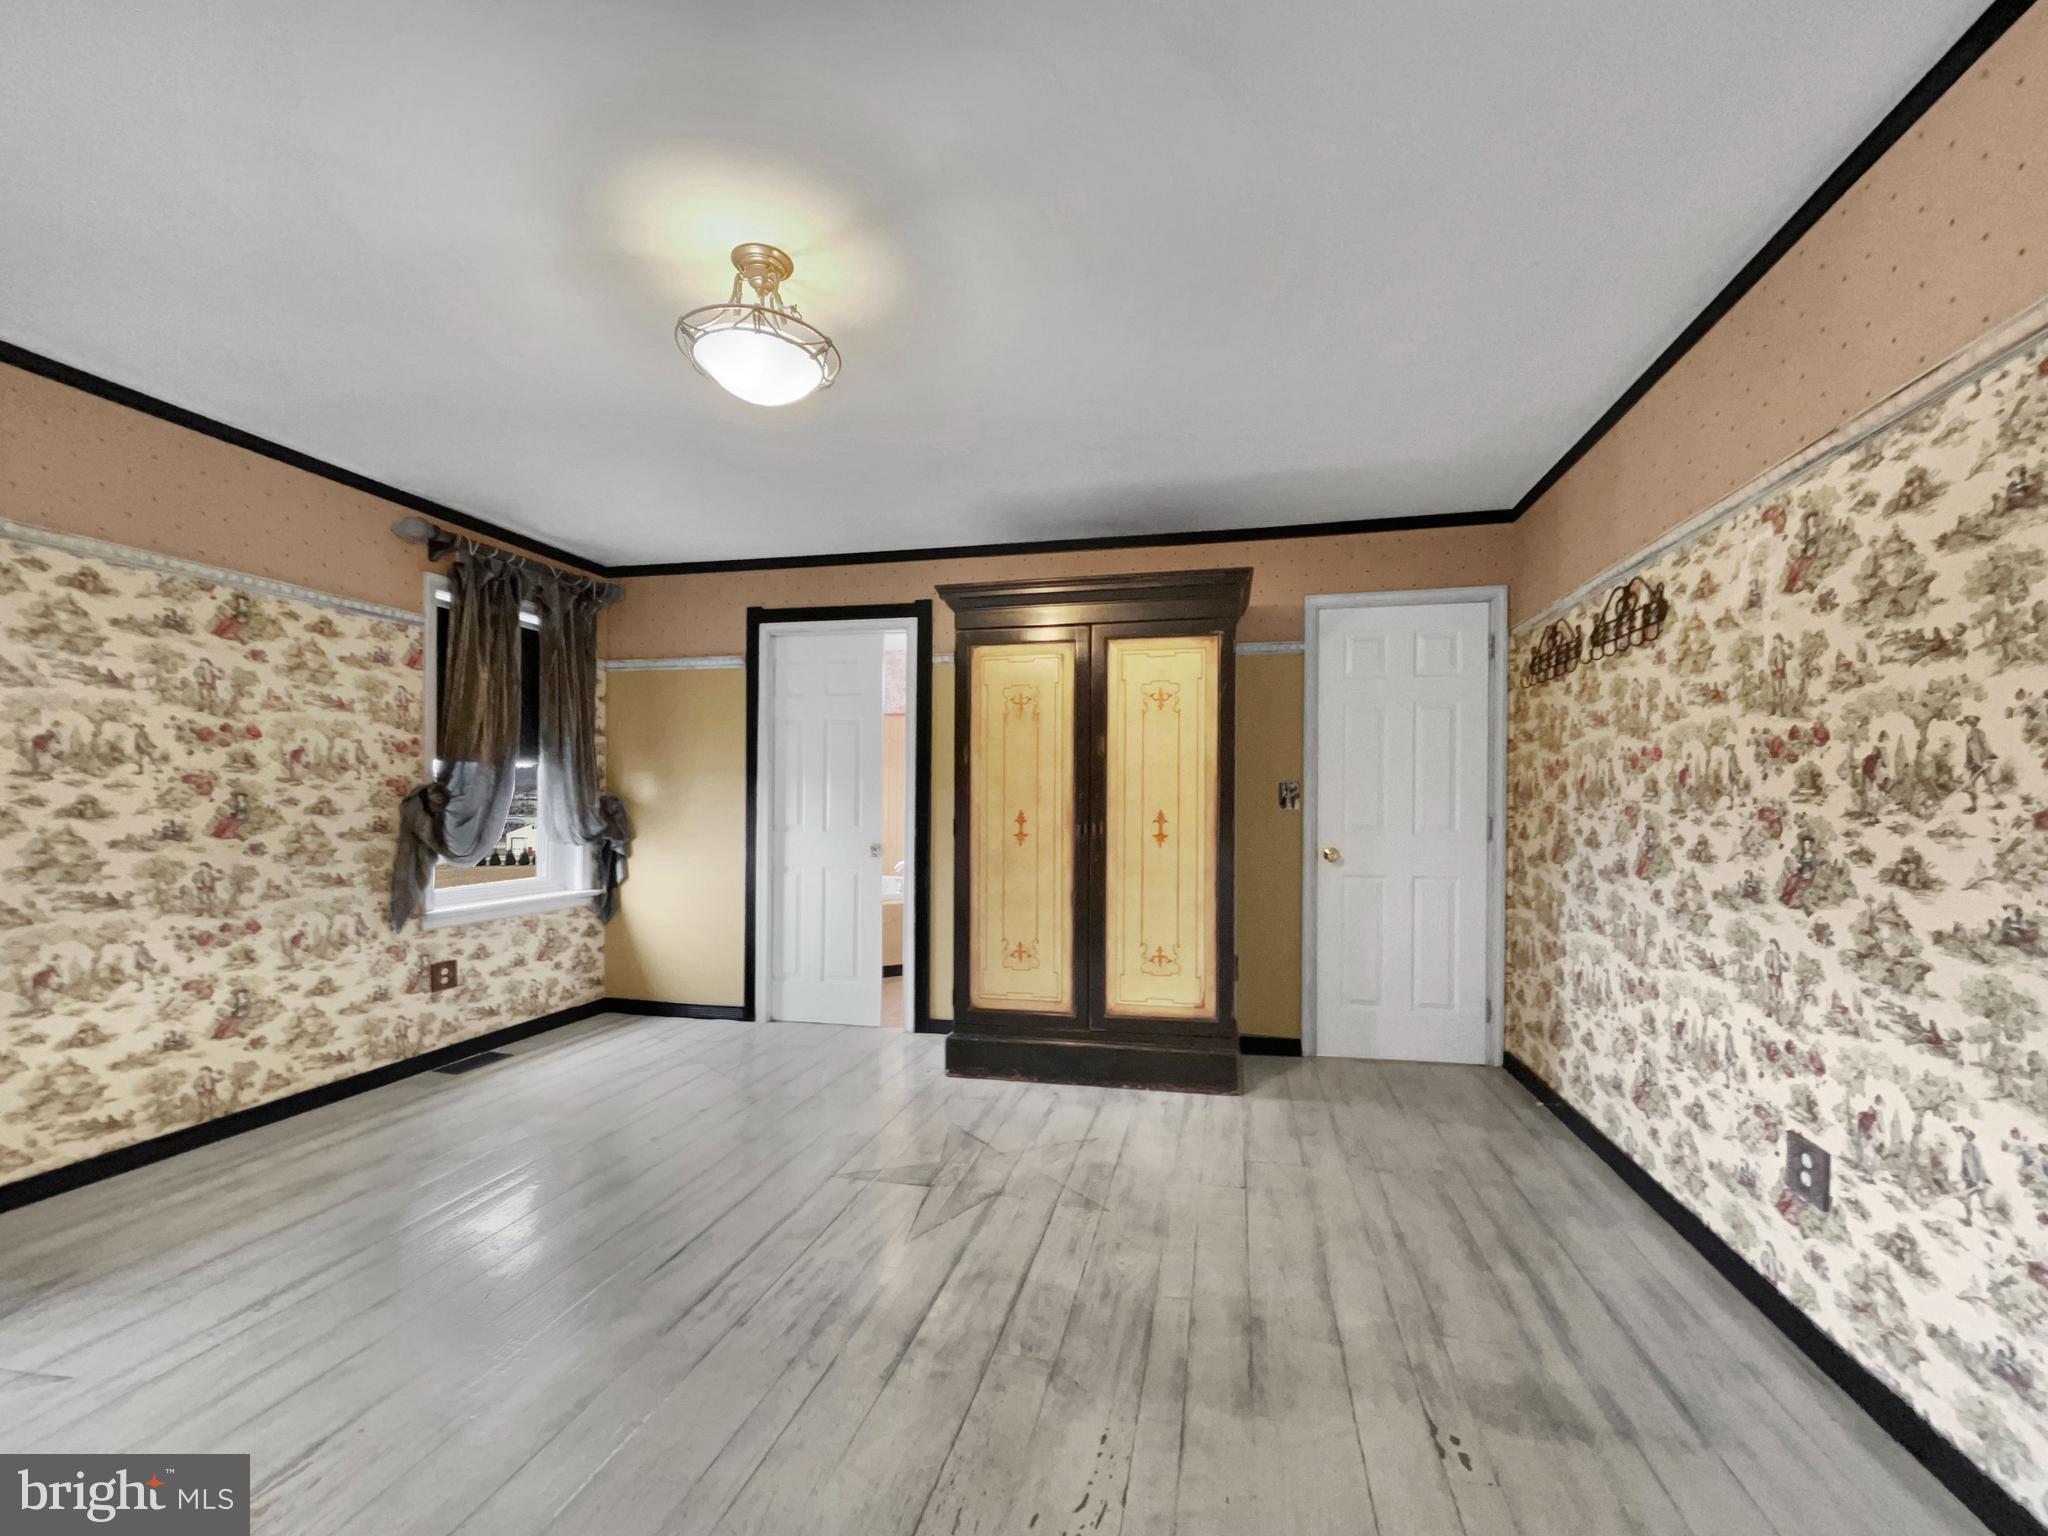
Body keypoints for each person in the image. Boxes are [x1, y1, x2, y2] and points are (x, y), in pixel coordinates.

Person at [1961, 715, 1997, 813]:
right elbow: (1969, 752)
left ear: (1970, 725)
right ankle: (1973, 806)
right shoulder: (1968, 736)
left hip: (1984, 763)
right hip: (1975, 764)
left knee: (1989, 783)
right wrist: (1967, 764)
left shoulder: (1979, 733)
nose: (1962, 727)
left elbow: (1986, 746)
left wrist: (1988, 759)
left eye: (1964, 725)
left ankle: (1998, 802)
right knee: (1971, 783)